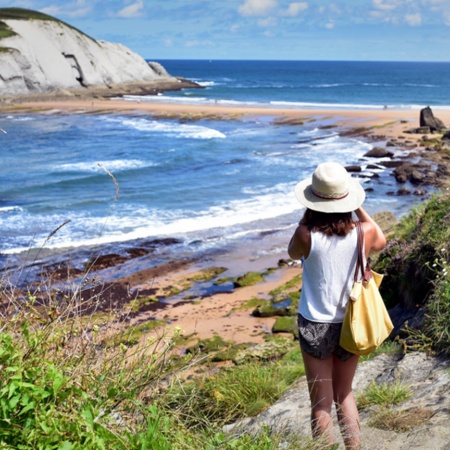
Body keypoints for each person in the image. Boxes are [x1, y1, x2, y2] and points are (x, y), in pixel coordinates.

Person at [288, 162, 386, 449]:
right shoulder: (364, 231)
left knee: (320, 404)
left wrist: (308, 216)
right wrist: (358, 209)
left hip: (315, 324)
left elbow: (292, 252)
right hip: (351, 321)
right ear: (347, 199)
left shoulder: (306, 234)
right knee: (344, 394)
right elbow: (381, 239)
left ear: (313, 200)